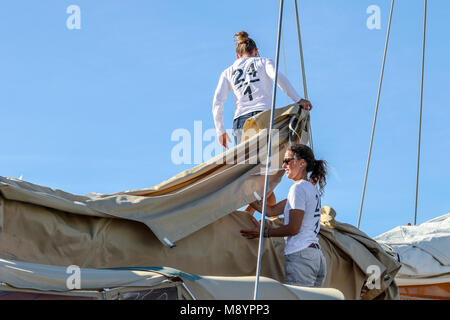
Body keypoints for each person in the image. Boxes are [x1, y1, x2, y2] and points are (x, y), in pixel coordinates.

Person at [241, 144, 328, 288]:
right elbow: (272, 211)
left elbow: (294, 228)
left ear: (302, 163)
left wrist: (264, 233)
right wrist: (248, 197)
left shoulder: (298, 189)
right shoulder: (311, 189)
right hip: (316, 258)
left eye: (288, 161)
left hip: (301, 256)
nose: (283, 165)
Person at [212, 31, 312, 149]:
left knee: (247, 163)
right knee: (270, 160)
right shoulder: (263, 61)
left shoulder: (227, 72)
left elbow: (218, 101)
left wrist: (220, 131)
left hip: (241, 120)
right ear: (256, 51)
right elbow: (277, 77)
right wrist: (298, 99)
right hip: (264, 115)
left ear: (237, 56)